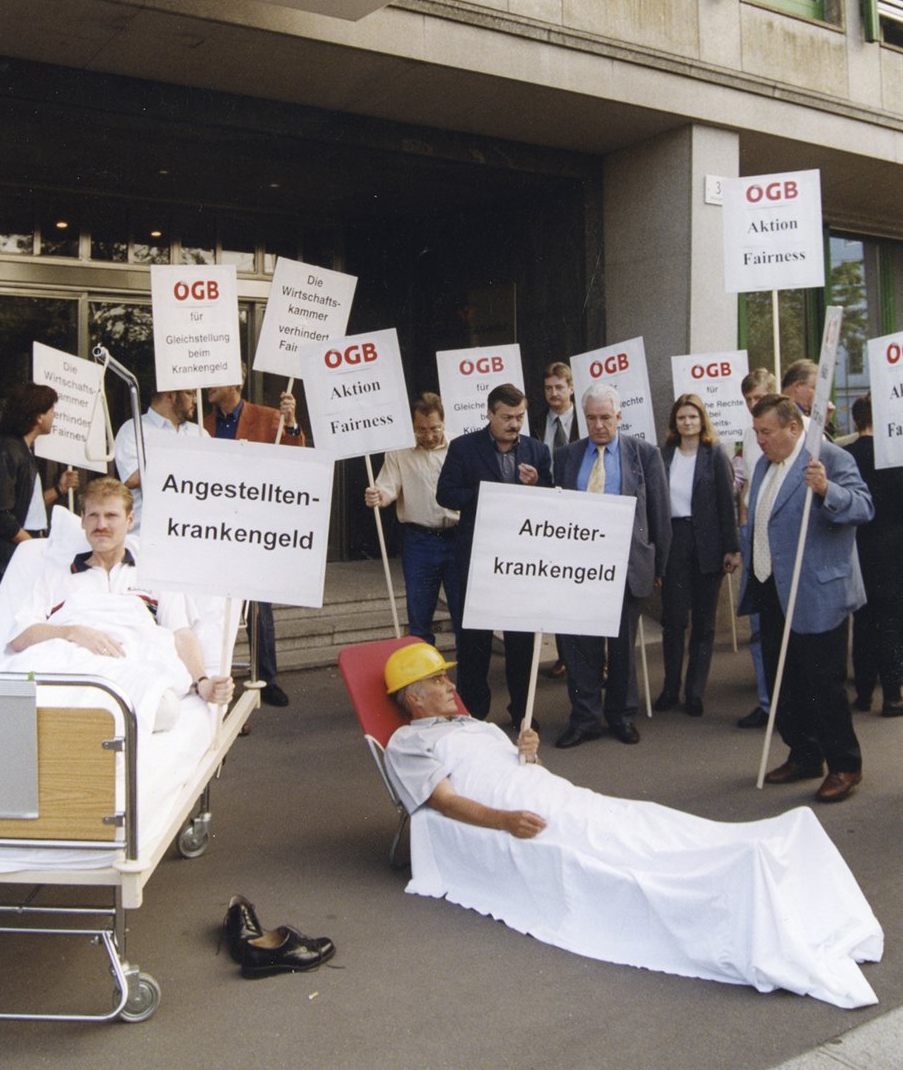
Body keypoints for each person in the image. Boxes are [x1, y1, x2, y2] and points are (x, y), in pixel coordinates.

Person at [381, 644, 882, 1009]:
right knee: (617, 851)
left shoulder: (477, 726)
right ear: (413, 699)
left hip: (556, 794)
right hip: (521, 813)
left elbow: (514, 770)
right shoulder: (408, 742)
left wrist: (527, 755)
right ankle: (732, 873)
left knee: (640, 823)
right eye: (438, 683)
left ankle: (751, 847)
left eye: (447, 678)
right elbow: (444, 802)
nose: (451, 686)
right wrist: (506, 822)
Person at [6, 477, 232, 734]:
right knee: (21, 700)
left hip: (131, 666)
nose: (101, 525)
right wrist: (72, 632)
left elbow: (180, 633)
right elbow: (20, 637)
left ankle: (81, 724)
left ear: (129, 520)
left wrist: (201, 681)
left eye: (111, 516)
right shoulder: (56, 574)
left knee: (164, 710)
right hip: (71, 664)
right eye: (93, 516)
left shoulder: (153, 573)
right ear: (82, 520)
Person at [738, 394, 873, 803]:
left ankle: (845, 764)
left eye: (766, 432)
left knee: (823, 683)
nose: (759, 440)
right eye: (756, 431)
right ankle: (805, 753)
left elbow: (864, 507)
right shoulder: (762, 464)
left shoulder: (828, 457)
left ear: (793, 428)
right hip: (771, 588)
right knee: (787, 681)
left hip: (816, 590)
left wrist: (827, 489)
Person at [551, 382, 671, 747]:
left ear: (619, 416)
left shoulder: (644, 454)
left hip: (627, 564)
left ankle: (620, 716)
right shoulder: (567, 456)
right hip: (580, 568)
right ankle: (585, 718)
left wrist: (658, 568)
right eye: (591, 418)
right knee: (580, 648)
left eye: (606, 417)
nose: (599, 425)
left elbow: (659, 515)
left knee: (621, 648)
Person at [436, 383, 552, 727]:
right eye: (507, 417)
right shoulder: (463, 448)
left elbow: (553, 502)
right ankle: (473, 713)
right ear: (489, 414)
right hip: (479, 559)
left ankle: (522, 712)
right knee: (474, 643)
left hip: (520, 561)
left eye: (520, 417)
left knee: (520, 644)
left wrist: (537, 487)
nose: (514, 424)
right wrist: (487, 495)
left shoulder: (538, 450)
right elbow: (446, 493)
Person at [205, 368, 304, 708]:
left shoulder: (269, 418)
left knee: (260, 608)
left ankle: (267, 678)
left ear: (235, 381)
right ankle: (218, 675)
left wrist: (290, 423)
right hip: (215, 527)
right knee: (216, 609)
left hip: (254, 526)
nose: (207, 386)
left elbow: (295, 457)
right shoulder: (203, 426)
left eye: (215, 379)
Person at [656, 394, 739, 716]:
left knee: (704, 624)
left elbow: (726, 503)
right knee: (674, 620)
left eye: (693, 417)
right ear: (674, 422)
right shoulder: (663, 455)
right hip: (675, 542)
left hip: (708, 544)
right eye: (681, 417)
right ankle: (669, 688)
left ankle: (694, 692)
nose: (687, 422)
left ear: (702, 420)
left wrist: (731, 548)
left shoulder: (714, 454)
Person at [364, 392, 461, 645]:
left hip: (457, 538)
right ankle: (423, 680)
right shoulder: (399, 452)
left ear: (444, 422)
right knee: (419, 619)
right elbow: (388, 487)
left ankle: (468, 682)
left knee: (463, 616)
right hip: (420, 542)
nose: (428, 436)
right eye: (421, 430)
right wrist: (378, 496)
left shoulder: (460, 448)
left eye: (434, 429)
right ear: (412, 426)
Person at [0, 382, 79, 593]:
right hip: (12, 551)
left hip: (22, 547)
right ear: (38, 417)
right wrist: (31, 546)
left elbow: (26, 506)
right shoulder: (9, 451)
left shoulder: (21, 450)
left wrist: (59, 489)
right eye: (51, 410)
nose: (54, 416)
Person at [844, 395, 903, 716]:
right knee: (892, 622)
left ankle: (863, 693)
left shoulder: (846, 454)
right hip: (894, 550)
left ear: (855, 421)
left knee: (863, 623)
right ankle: (893, 695)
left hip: (858, 549)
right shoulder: (895, 456)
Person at [530, 361, 579, 680]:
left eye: (559, 387)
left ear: (571, 388)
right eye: (548, 388)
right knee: (554, 586)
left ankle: (594, 658)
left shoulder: (587, 422)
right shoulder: (535, 422)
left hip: (579, 510)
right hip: (546, 509)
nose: (553, 393)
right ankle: (565, 655)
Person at [736, 367, 777, 730]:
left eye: (758, 397)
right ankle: (766, 703)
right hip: (753, 536)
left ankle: (792, 701)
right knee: (759, 624)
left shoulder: (798, 431)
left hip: (783, 538)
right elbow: (749, 484)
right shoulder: (750, 437)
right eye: (747, 400)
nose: (753, 405)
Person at [113, 387, 206, 530]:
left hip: (191, 530)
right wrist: (184, 458)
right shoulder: (133, 429)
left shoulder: (198, 432)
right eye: (189, 393)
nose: (195, 400)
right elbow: (131, 478)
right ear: (170, 396)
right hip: (146, 533)